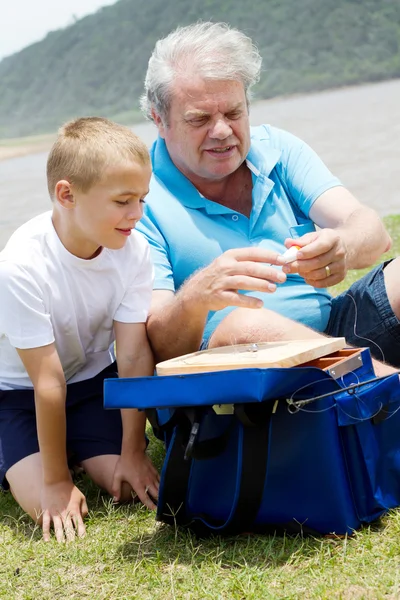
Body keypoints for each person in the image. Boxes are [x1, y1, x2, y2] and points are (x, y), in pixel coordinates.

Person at [136, 22, 400, 374]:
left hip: (332, 336)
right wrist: (198, 295)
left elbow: (371, 232)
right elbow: (158, 347)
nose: (222, 131)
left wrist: (342, 245)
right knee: (245, 326)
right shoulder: (137, 197)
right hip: (233, 378)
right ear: (159, 119)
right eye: (199, 119)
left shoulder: (277, 149)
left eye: (233, 113)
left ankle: (371, 390)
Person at [0, 117, 159, 543]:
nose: (137, 215)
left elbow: (131, 355)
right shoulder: (20, 265)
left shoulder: (134, 251)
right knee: (48, 511)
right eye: (124, 201)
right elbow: (47, 382)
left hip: (90, 385)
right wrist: (54, 483)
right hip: (16, 397)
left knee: (124, 489)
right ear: (66, 194)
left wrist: (134, 450)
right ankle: (44, 458)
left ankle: (76, 447)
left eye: (142, 199)